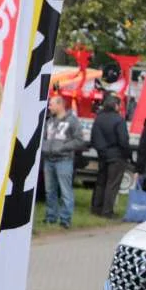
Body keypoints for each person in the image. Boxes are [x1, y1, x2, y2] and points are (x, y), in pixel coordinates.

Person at [41, 95, 85, 229]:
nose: (49, 107)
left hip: (64, 160)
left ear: (60, 105)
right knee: (50, 190)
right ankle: (50, 216)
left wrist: (63, 147)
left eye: (51, 104)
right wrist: (44, 146)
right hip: (48, 159)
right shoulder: (49, 121)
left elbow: (79, 140)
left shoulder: (72, 121)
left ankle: (65, 219)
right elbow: (44, 137)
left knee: (65, 191)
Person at [91, 94, 131, 218]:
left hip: (103, 155)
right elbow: (123, 140)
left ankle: (96, 208)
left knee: (100, 182)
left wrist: (101, 151)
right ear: (115, 105)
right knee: (112, 184)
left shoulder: (98, 118)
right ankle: (107, 211)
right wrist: (127, 155)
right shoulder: (119, 120)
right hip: (117, 156)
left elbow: (94, 138)